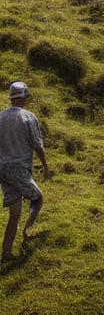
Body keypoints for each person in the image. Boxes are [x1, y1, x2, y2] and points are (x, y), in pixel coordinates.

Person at [0, 81, 50, 265]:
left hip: (2, 170)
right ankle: (27, 232)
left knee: (15, 213)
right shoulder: (28, 117)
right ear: (23, 98)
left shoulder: (0, 117)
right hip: (19, 169)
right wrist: (45, 166)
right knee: (37, 198)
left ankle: (6, 253)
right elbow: (37, 144)